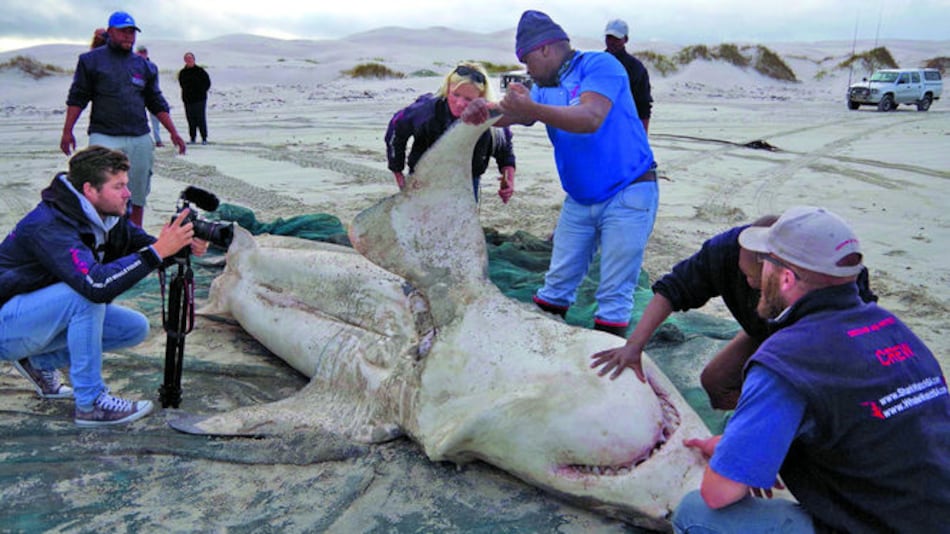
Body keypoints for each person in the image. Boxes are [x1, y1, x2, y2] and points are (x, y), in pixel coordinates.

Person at [671, 206, 950, 533]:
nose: (758, 275)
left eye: (765, 262)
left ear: (786, 278)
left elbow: (718, 494)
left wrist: (732, 467)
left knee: (695, 513)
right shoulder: (892, 329)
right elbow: (869, 430)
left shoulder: (786, 358)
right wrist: (734, 446)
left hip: (880, 525)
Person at [462, 10, 658, 337]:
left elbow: (590, 117)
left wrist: (532, 109)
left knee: (614, 295)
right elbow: (512, 115)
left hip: (628, 191)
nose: (527, 70)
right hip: (580, 199)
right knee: (555, 287)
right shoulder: (544, 86)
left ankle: (606, 358)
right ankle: (547, 351)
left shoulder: (600, 65)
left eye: (527, 61)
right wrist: (482, 112)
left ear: (544, 49)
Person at [0, 146, 207, 427]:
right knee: (86, 296)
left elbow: (145, 248)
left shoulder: (106, 217)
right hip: (6, 323)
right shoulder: (49, 225)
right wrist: (158, 251)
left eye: (126, 184)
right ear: (89, 189)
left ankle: (37, 361)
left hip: (33, 318)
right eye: (118, 186)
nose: (128, 193)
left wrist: (178, 245)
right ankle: (91, 404)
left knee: (133, 327)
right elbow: (96, 286)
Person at [590, 215, 878, 410]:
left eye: (757, 279)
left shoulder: (830, 272)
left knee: (797, 403)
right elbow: (672, 289)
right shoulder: (724, 250)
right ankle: (742, 425)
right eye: (745, 275)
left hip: (822, 344)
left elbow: (857, 332)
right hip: (761, 329)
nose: (750, 284)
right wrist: (634, 346)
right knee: (715, 380)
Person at [61, 11, 186, 228]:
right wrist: (67, 131)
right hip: (104, 136)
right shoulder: (90, 61)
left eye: (132, 32)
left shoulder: (144, 66)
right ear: (111, 32)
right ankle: (103, 236)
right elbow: (78, 97)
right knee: (102, 191)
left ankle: (134, 234)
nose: (129, 36)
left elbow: (156, 102)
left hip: (139, 137)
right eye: (123, 31)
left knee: (136, 193)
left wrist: (173, 132)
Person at [385, 61, 516, 203]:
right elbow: (396, 128)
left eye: (468, 99)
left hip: (466, 181)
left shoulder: (492, 119)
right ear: (447, 89)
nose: (459, 103)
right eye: (455, 95)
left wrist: (508, 179)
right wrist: (398, 172)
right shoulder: (425, 110)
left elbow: (505, 151)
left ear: (481, 98)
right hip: (423, 179)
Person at [604, 19, 653, 133]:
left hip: (625, 125)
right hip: (598, 125)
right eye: (609, 37)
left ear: (625, 39)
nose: (612, 42)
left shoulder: (636, 67)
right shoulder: (595, 63)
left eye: (616, 38)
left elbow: (644, 105)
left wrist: (642, 136)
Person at [178, 52, 212, 145]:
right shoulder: (182, 72)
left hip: (200, 99)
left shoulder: (200, 71)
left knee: (200, 118)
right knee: (190, 119)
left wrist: (201, 91)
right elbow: (182, 84)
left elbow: (207, 83)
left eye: (190, 58)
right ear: (185, 60)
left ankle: (204, 138)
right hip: (188, 99)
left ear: (194, 59)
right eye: (187, 59)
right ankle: (192, 138)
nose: (189, 60)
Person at [135, 45, 165, 147]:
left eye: (142, 53)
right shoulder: (133, 66)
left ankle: (158, 140)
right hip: (138, 96)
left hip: (151, 95)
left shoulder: (152, 66)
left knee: (155, 118)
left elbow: (153, 83)